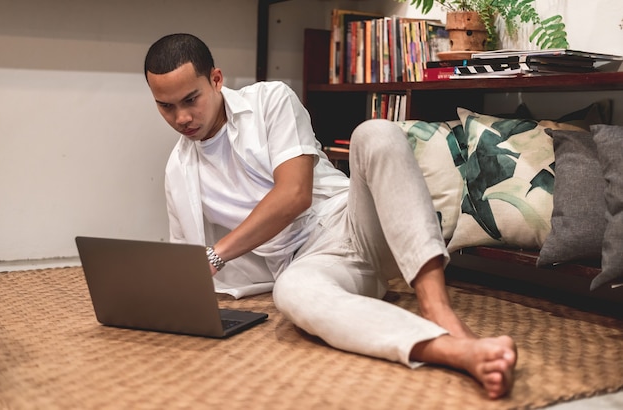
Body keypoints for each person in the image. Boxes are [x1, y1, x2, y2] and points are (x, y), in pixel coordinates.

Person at [144, 33, 517, 399]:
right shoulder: (178, 170)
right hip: (311, 265)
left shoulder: (270, 100)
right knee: (292, 294)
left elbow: (294, 194)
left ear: (216, 80)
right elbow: (187, 266)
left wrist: (217, 253)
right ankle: (449, 350)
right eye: (166, 106)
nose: (182, 117)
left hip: (355, 222)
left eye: (191, 99)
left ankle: (439, 312)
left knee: (376, 133)